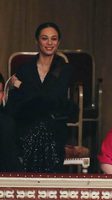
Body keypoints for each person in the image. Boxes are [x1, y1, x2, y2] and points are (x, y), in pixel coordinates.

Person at [6, 22, 76, 173]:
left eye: (54, 39)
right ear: (37, 41)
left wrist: (20, 86)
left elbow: (50, 98)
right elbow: (20, 104)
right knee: (35, 129)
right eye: (45, 38)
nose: (49, 43)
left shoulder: (64, 69)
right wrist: (32, 99)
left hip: (54, 125)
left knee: (43, 130)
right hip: (28, 124)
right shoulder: (25, 68)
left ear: (59, 42)